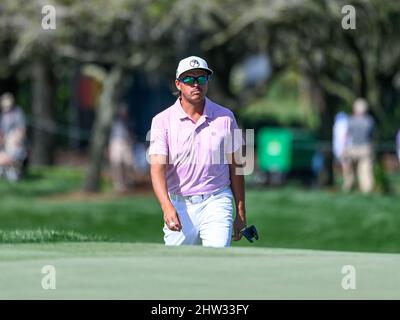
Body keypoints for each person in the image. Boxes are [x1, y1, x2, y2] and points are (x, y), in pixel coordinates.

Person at [148, 56, 247, 247]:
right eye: (189, 79)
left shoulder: (225, 117)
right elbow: (157, 169)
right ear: (178, 84)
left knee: (217, 257)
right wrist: (166, 206)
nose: (196, 84)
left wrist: (241, 212)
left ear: (207, 82)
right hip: (179, 203)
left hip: (216, 200)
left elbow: (237, 166)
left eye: (201, 79)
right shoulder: (162, 121)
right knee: (176, 267)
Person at [342, 98, 375, 194]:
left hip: (352, 148)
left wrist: (344, 148)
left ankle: (348, 187)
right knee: (365, 171)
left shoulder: (350, 120)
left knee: (349, 170)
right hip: (366, 148)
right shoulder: (370, 121)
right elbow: (372, 136)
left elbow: (346, 136)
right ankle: (367, 189)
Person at [0, 92, 27, 182]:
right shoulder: (3, 115)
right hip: (6, 142)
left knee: (13, 147)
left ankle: (14, 170)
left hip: (15, 141)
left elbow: (21, 129)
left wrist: (16, 138)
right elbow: (2, 132)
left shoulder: (18, 112)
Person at [109, 103, 135, 193]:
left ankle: (128, 183)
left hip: (126, 143)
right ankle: (119, 186)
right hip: (116, 143)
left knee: (128, 164)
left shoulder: (129, 122)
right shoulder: (113, 122)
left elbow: (131, 135)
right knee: (117, 165)